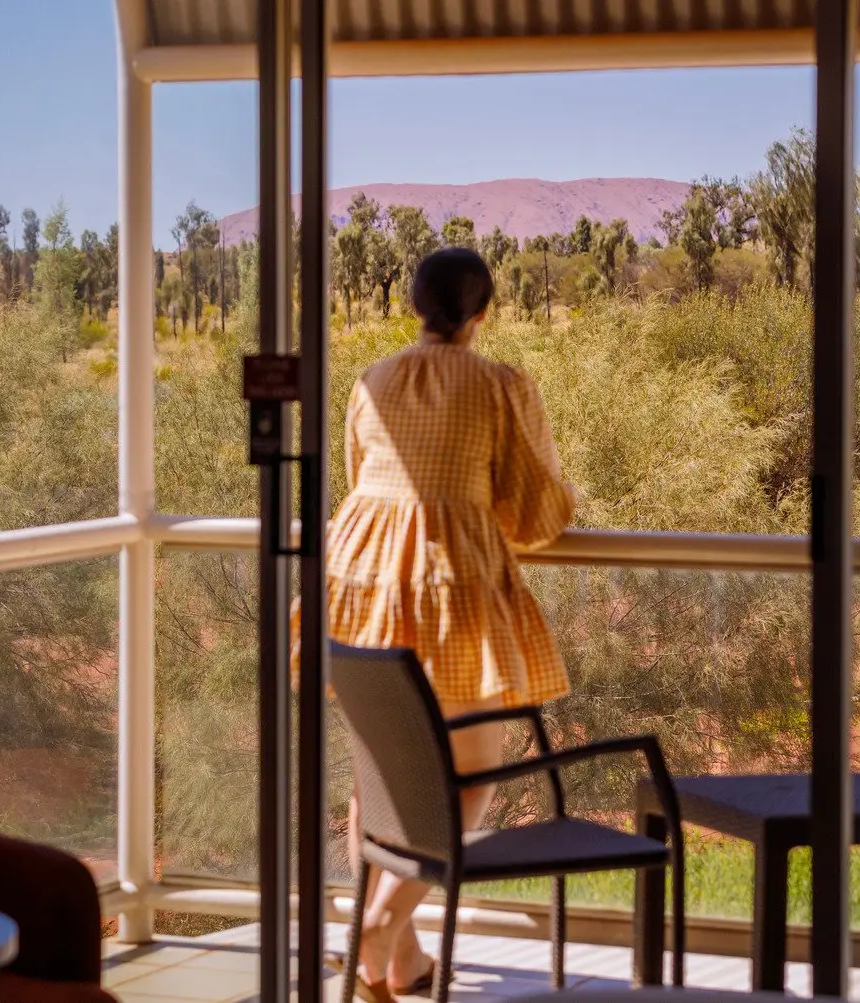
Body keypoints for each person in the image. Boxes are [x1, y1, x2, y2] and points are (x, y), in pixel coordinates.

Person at [298, 248, 575, 1003]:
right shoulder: (499, 386)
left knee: (380, 774)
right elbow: (536, 507)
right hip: (452, 590)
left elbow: (361, 477)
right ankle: (379, 930)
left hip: (359, 582)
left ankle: (402, 960)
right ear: (482, 313)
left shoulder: (372, 381)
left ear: (413, 305)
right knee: (472, 779)